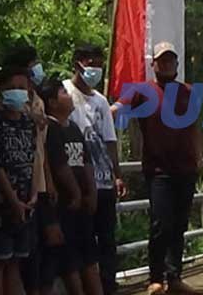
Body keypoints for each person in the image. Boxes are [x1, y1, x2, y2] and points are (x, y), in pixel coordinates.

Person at [119, 43, 203, 295]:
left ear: (177, 64)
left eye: (170, 61)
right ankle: (155, 277)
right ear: (153, 64)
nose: (166, 65)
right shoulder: (142, 91)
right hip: (158, 170)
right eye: (161, 61)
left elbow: (194, 127)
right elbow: (116, 108)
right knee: (160, 224)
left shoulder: (187, 91)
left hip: (185, 168)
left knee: (179, 225)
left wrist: (199, 156)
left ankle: (174, 276)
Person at [64, 44, 125, 295]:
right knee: (81, 239)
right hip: (76, 182)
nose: (96, 69)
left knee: (107, 238)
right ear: (78, 63)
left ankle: (108, 284)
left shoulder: (100, 101)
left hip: (103, 182)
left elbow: (110, 140)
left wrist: (117, 174)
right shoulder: (64, 94)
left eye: (100, 64)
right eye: (91, 63)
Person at [0, 66, 39, 295]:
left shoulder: (28, 122)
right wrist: (13, 201)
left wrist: (33, 195)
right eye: (11, 88)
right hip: (1, 205)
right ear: (1, 90)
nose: (17, 92)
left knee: (16, 260)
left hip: (26, 203)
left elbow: (32, 159)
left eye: (21, 88)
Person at [43, 78, 103, 295]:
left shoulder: (74, 127)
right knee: (71, 262)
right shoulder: (50, 129)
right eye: (63, 92)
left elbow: (86, 162)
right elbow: (59, 165)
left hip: (83, 204)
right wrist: (76, 193)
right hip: (65, 205)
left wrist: (91, 191)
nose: (69, 96)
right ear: (51, 102)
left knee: (89, 258)